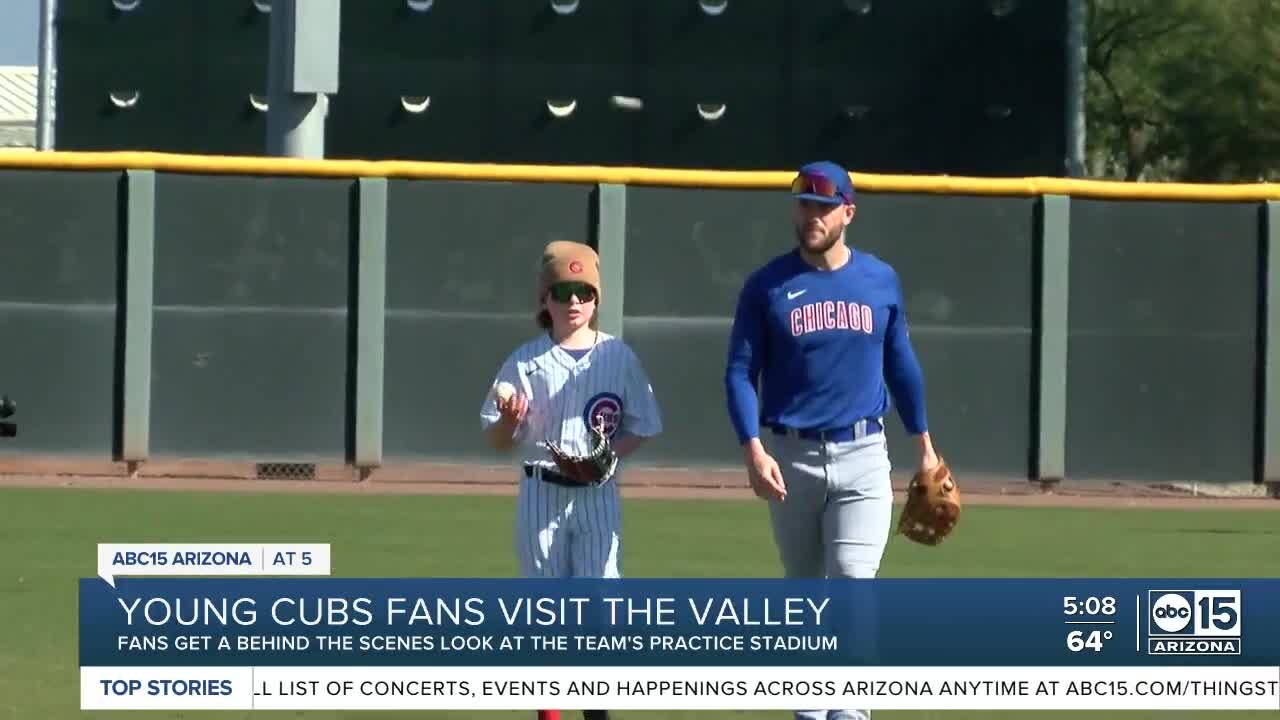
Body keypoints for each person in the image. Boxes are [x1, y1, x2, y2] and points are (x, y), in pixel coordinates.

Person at [723, 161, 939, 720]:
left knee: (851, 582)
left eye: (824, 205)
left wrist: (925, 445)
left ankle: (848, 711)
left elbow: (902, 365)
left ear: (848, 211)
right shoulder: (766, 285)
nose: (812, 214)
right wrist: (752, 447)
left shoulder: (878, 280)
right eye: (804, 203)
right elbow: (740, 372)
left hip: (865, 453)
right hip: (790, 456)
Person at [480, 241, 663, 720]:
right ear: (545, 299)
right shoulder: (525, 360)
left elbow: (644, 424)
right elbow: (499, 440)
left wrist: (607, 457)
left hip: (598, 499)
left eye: (585, 291)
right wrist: (508, 420)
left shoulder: (618, 356)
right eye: (563, 290)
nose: (575, 301)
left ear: (597, 298)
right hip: (541, 493)